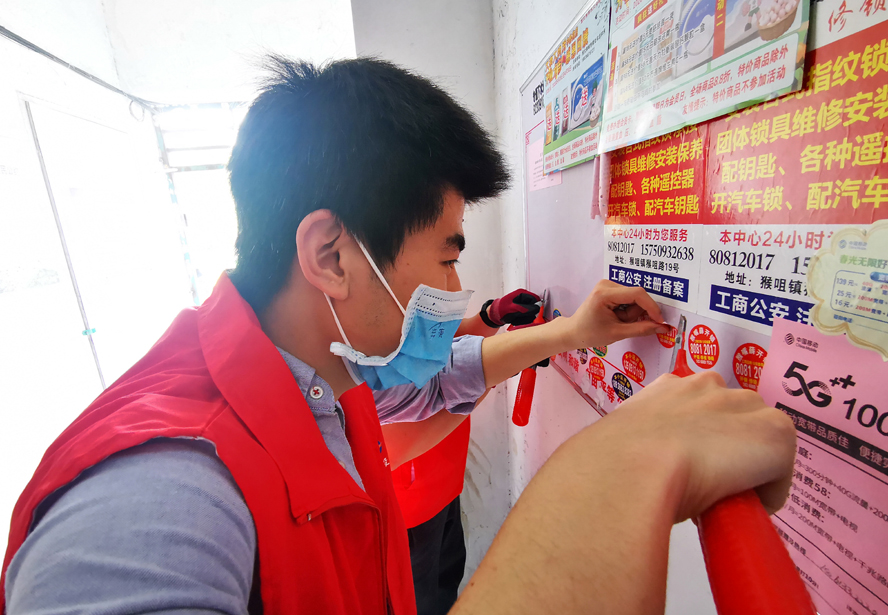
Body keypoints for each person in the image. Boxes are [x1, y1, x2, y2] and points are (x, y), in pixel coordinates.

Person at [2, 56, 795, 615]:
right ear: (331, 256)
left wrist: (573, 331)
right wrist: (622, 465)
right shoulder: (162, 492)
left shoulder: (325, 376)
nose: (457, 285)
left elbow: (442, 375)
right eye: (447, 256)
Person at [377, 288, 543, 615]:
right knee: (420, 604)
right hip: (408, 513)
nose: (451, 283)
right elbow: (410, 435)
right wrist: (504, 362)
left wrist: (490, 317)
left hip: (445, 490)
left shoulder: (408, 304)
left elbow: (442, 346)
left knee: (447, 585)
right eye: (446, 264)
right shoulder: (361, 339)